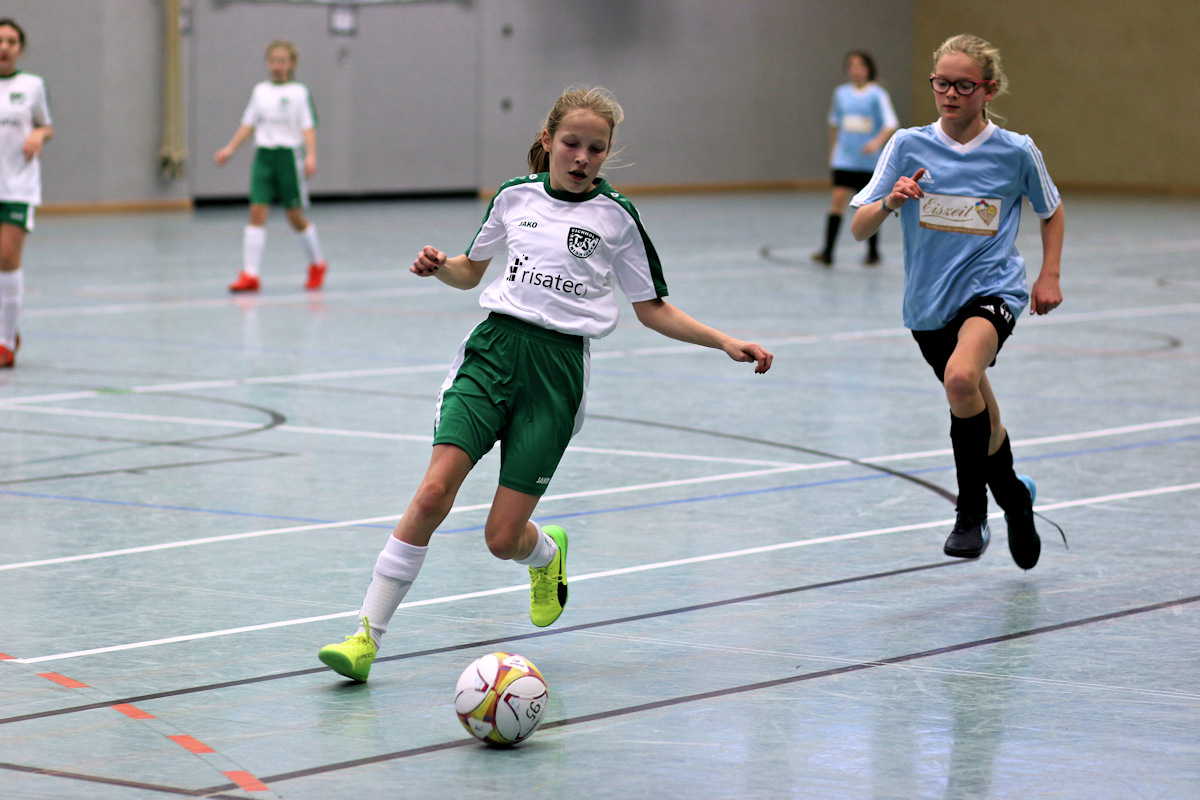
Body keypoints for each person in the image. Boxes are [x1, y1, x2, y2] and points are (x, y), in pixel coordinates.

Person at [318, 86, 773, 682]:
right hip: (493, 353)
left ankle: (545, 553)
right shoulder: (514, 198)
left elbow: (651, 307)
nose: (582, 158)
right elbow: (470, 271)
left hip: (557, 374)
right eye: (571, 144)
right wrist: (440, 266)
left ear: (607, 155)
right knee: (433, 493)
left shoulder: (618, 218)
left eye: (596, 149)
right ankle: (365, 637)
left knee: (501, 538)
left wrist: (723, 340)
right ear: (548, 141)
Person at [850, 34, 1064, 570]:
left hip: (993, 290)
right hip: (928, 304)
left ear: (988, 89)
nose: (949, 93)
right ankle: (1016, 500)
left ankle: (972, 515)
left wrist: (1048, 275)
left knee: (961, 380)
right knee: (981, 417)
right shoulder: (906, 145)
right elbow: (859, 226)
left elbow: (1051, 210)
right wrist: (890, 202)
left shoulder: (1016, 150)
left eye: (963, 85)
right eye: (940, 83)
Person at [214, 40, 327, 293]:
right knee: (256, 212)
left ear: (292, 64)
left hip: (288, 157)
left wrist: (311, 156)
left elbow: (307, 127)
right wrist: (230, 149)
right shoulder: (260, 91)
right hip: (264, 157)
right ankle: (250, 274)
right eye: (273, 60)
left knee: (294, 216)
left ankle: (317, 263)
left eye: (282, 61)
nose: (277, 65)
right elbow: (248, 124)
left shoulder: (299, 92)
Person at [812, 51, 897, 267]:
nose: (855, 70)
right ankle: (828, 252)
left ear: (868, 69)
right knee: (837, 201)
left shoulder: (878, 95)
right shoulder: (840, 94)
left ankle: (873, 252)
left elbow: (890, 124)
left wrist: (875, 143)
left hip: (868, 162)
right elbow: (834, 124)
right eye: (851, 66)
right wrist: (834, 152)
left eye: (860, 66)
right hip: (845, 159)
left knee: (869, 206)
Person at [0, 18, 51, 369]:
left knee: (6, 257)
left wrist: (39, 135)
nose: (4, 47)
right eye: (0, 40)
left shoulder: (32, 86)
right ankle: (8, 328)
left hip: (18, 186)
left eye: (12, 42)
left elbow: (46, 123)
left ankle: (4, 342)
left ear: (20, 48)